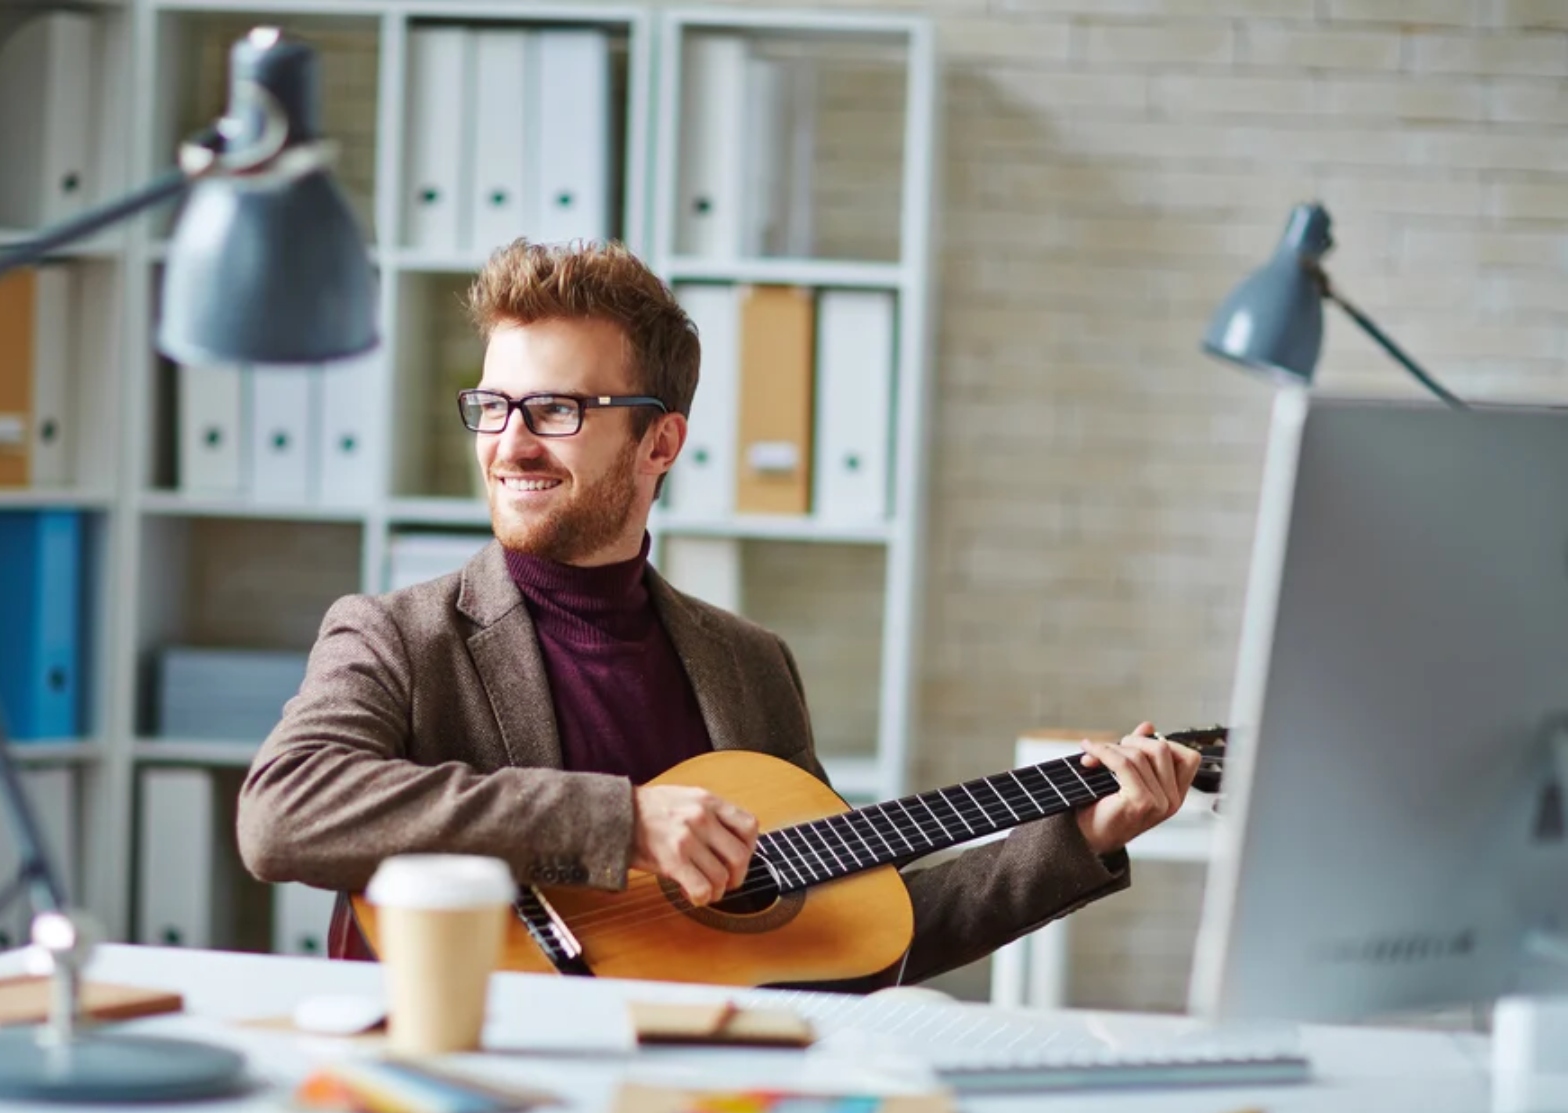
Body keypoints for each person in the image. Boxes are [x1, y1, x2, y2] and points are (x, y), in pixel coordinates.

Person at [238, 239, 1201, 986]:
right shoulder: (395, 636)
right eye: (493, 405)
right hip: (468, 1105)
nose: (511, 445)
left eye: (557, 411)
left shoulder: (750, 665)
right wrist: (621, 822)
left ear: (661, 442)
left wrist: (1080, 838)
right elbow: (282, 816)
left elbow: (855, 932)